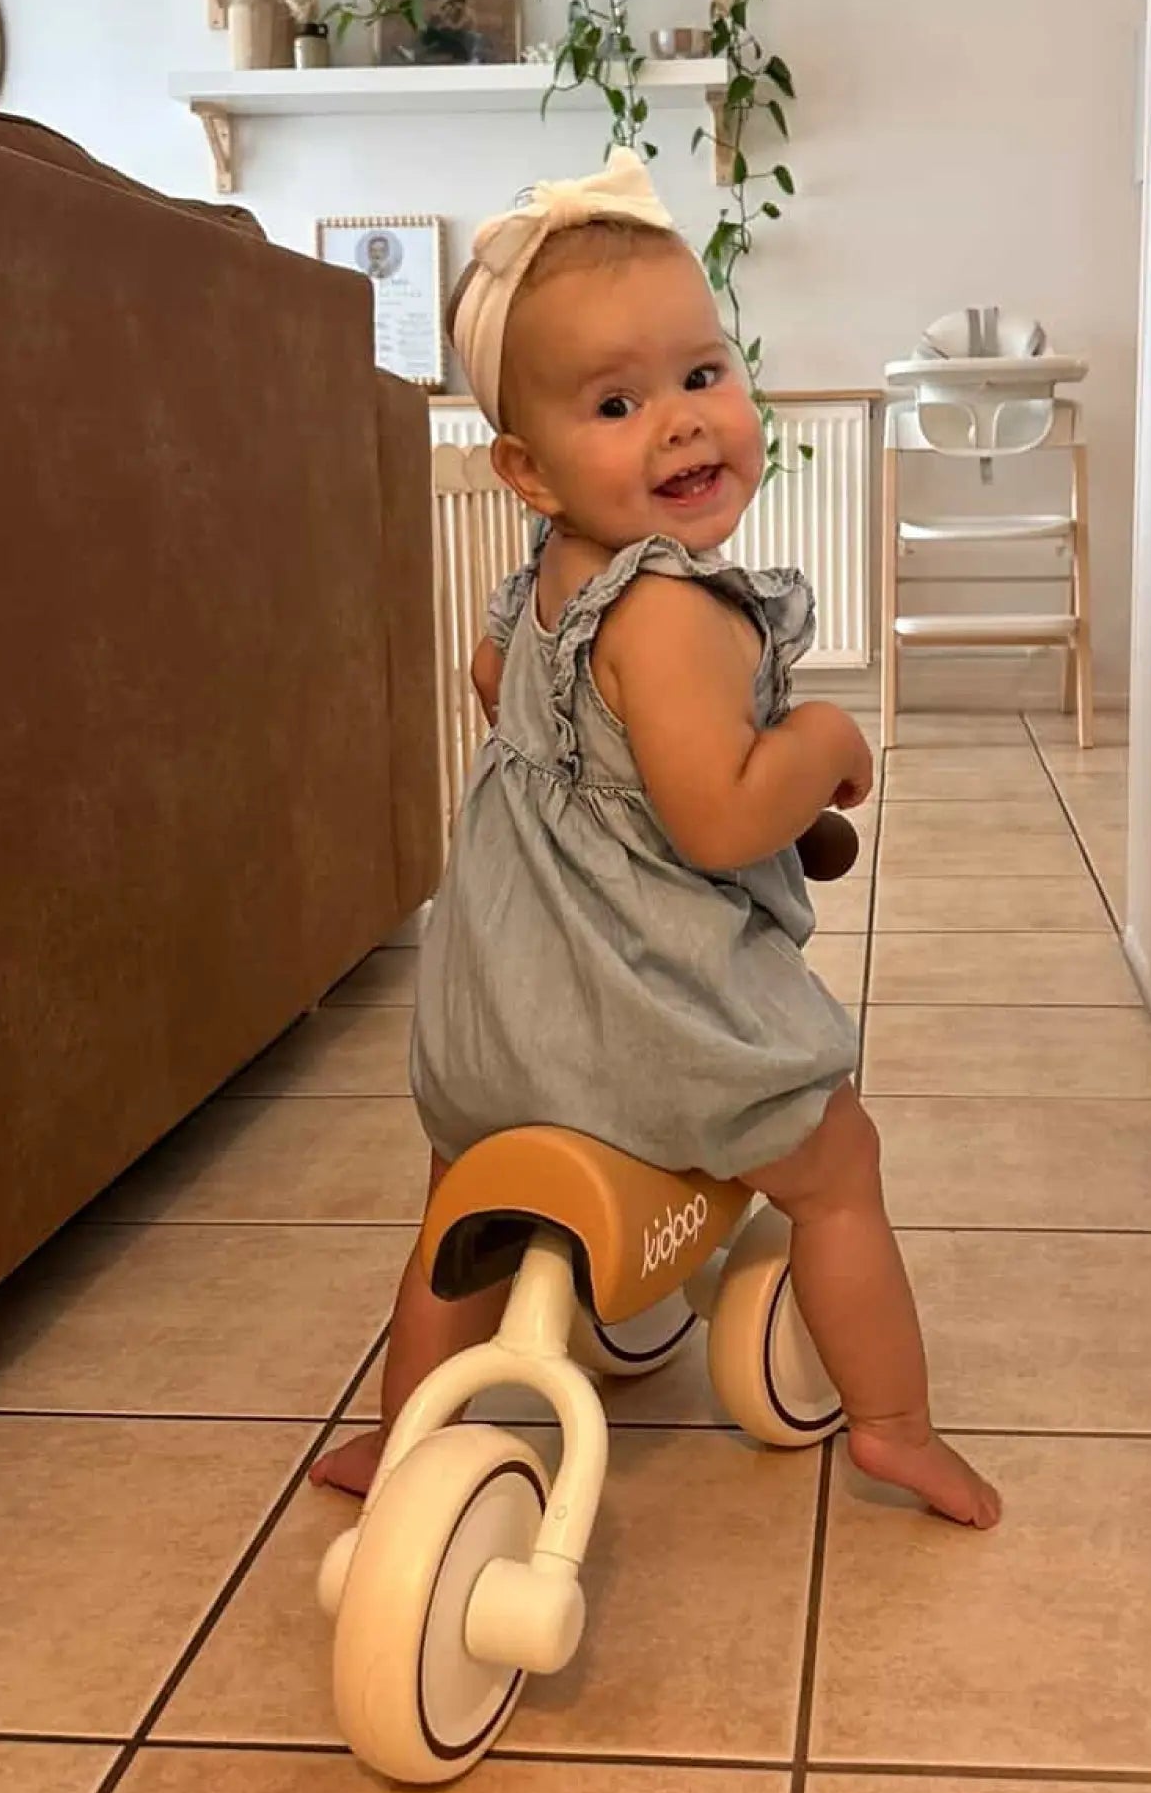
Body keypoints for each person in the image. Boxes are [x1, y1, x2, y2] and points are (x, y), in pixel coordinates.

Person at [312, 152, 1000, 1529]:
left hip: (494, 1023)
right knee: (837, 1166)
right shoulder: (678, 610)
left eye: (703, 375)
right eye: (618, 403)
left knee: (461, 1216)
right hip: (647, 1025)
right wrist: (823, 748)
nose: (683, 425)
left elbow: (503, 694)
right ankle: (895, 1426)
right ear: (525, 463)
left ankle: (391, 1440)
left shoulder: (541, 584)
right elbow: (720, 816)